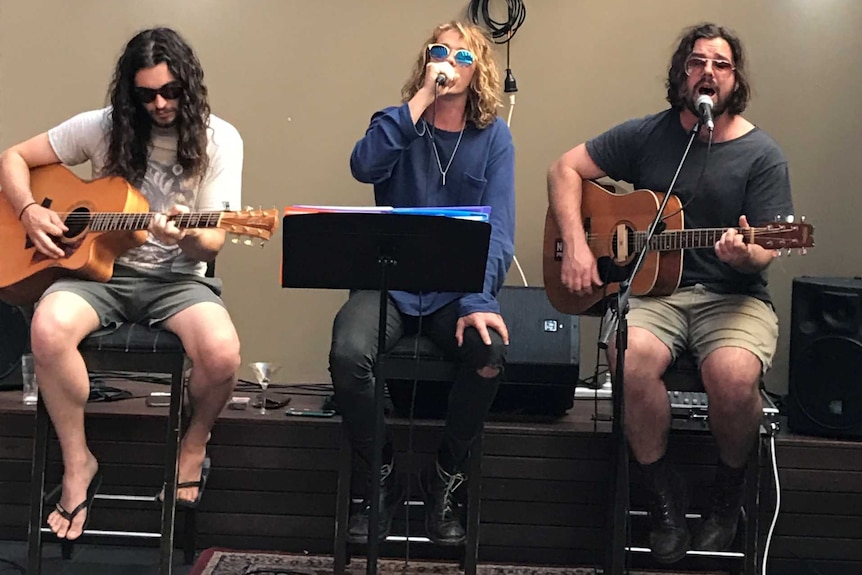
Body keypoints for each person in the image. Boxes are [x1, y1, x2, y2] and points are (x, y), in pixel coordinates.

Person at [547, 22, 793, 564]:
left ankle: (727, 495)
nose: (709, 72)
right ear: (682, 73)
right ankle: (663, 498)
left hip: (734, 298)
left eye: (721, 64)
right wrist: (577, 243)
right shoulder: (650, 136)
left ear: (735, 79)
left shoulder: (761, 155)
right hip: (657, 297)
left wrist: (746, 252)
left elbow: (771, 245)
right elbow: (563, 168)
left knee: (731, 377)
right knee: (628, 360)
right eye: (698, 62)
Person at [0, 27, 243, 541]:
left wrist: (185, 238)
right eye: (146, 94)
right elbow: (13, 158)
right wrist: (27, 211)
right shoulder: (102, 127)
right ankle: (77, 463)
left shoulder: (221, 139)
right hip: (97, 274)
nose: (159, 103)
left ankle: (193, 444)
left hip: (176, 280)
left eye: (170, 92)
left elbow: (214, 243)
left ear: (189, 86)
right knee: (46, 329)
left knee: (222, 355)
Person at [329, 21, 515, 546]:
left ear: (477, 69)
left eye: (461, 56)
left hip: (453, 291)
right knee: (348, 352)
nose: (448, 62)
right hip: (387, 283)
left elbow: (499, 228)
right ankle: (379, 475)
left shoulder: (494, 135)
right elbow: (364, 166)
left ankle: (444, 481)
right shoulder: (394, 122)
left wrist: (479, 298)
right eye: (439, 52)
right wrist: (418, 102)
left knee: (490, 353)